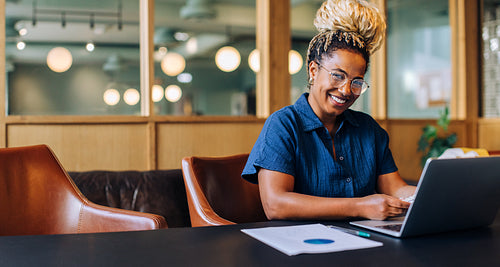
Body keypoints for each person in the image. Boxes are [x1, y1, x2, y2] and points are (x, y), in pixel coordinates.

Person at [242, 0, 416, 221]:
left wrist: (426, 194)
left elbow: (396, 188)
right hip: (300, 245)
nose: (346, 90)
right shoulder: (283, 125)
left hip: (362, 241)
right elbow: (276, 205)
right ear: (313, 70)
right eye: (338, 75)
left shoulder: (368, 128)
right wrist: (360, 207)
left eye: (357, 82)